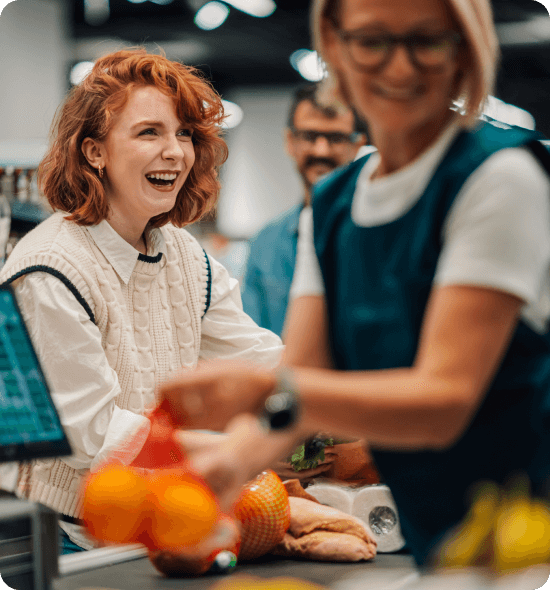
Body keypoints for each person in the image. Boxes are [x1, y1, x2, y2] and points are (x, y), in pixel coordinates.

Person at [158, 0, 550, 568]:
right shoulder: (335, 204)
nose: (399, 68)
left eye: (426, 42)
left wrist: (260, 392)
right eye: (372, 42)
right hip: (440, 533)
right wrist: (229, 466)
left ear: (465, 50)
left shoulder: (499, 177)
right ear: (335, 49)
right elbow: (305, 381)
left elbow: (445, 399)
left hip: (525, 532)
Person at [0, 48, 283, 554]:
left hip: (161, 523)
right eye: (149, 132)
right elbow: (96, 435)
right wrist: (239, 452)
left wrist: (343, 398)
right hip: (67, 540)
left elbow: (257, 359)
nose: (175, 151)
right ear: (94, 152)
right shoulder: (49, 269)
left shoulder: (181, 253)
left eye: (184, 134)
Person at [241, 84, 366, 338]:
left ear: (357, 145)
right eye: (310, 136)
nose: (322, 150)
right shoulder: (266, 243)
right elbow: (249, 341)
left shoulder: (379, 235)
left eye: (336, 138)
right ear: (290, 142)